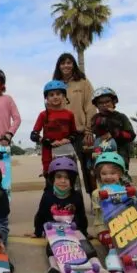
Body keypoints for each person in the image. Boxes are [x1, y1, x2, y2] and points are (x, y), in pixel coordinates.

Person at [28, 158, 117, 273]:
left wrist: (84, 232)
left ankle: (102, 272)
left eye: (67, 178)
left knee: (87, 247)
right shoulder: (47, 196)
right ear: (52, 179)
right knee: (54, 249)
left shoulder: (76, 197)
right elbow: (40, 215)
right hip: (54, 231)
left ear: (72, 180)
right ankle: (55, 269)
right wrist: (37, 231)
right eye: (59, 177)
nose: (63, 181)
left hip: (73, 230)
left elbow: (81, 215)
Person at [90, 152, 137, 273]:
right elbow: (103, 208)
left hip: (123, 223)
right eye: (104, 173)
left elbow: (133, 208)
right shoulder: (97, 193)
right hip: (104, 226)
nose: (108, 177)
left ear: (120, 174)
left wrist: (132, 199)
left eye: (112, 173)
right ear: (99, 175)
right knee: (114, 244)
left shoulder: (125, 191)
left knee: (135, 241)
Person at [52, 53, 96, 192]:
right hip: (62, 136)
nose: (66, 65)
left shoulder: (83, 82)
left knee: (89, 169)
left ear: (73, 65)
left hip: (81, 133)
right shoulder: (55, 84)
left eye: (69, 62)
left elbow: (90, 106)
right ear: (59, 66)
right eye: (63, 63)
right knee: (66, 169)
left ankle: (94, 198)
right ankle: (72, 199)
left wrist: (89, 130)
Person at [30, 80, 79, 186]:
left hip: (67, 150)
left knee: (70, 179)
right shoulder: (43, 115)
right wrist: (47, 141)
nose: (55, 97)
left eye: (58, 94)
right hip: (48, 151)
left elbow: (75, 133)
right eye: (51, 95)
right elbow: (33, 135)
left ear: (64, 96)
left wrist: (67, 139)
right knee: (50, 180)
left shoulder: (69, 114)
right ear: (47, 98)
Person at [89, 87, 136, 174]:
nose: (104, 105)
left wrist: (114, 133)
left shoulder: (121, 117)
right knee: (98, 175)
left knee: (121, 176)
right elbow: (94, 131)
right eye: (100, 103)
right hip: (101, 154)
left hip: (120, 154)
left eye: (107, 101)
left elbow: (131, 135)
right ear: (96, 105)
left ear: (113, 102)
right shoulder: (95, 118)